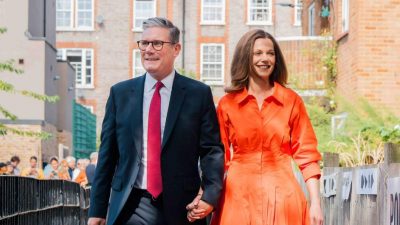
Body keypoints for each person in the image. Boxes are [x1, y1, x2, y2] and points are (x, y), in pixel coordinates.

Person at [88, 17, 224, 225]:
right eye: (144, 43)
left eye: (157, 43)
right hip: (130, 204)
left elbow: (211, 151)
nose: (149, 50)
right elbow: (107, 155)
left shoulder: (199, 94)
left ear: (176, 49)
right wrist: (96, 211)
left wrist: (209, 196)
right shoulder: (120, 94)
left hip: (182, 207)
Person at [206, 29, 323, 225]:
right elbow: (218, 158)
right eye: (258, 53)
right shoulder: (227, 104)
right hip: (238, 197)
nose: (265, 58)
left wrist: (316, 203)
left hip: (284, 197)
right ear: (245, 57)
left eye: (270, 53)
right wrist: (207, 197)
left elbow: (308, 156)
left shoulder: (291, 100)